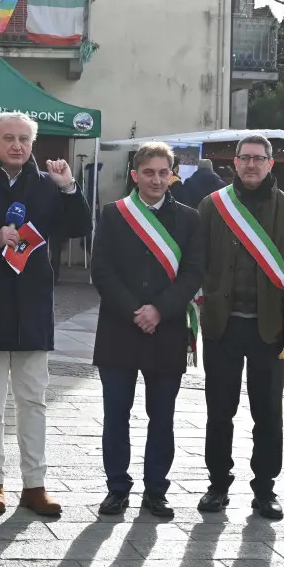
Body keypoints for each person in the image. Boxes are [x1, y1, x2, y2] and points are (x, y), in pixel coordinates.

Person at [0, 112, 91, 517]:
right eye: (8, 137)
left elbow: (79, 226)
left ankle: (35, 484)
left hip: (32, 307)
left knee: (34, 401)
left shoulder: (46, 184)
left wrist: (69, 188)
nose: (17, 145)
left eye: (24, 139)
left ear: (33, 143)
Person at [196, 133, 284, 520]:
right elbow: (200, 258)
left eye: (258, 158)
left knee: (268, 410)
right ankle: (217, 484)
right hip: (222, 325)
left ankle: (265, 489)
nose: (250, 164)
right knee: (219, 410)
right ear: (235, 161)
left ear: (270, 164)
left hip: (271, 328)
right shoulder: (213, 206)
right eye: (244, 158)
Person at [91, 142, 203, 518]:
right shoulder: (113, 213)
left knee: (162, 416)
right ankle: (116, 489)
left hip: (167, 329)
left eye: (163, 172)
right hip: (119, 328)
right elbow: (101, 270)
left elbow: (192, 274)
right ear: (135, 174)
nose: (157, 180)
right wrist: (134, 311)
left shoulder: (189, 219)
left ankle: (156, 490)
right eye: (149, 172)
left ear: (172, 175)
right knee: (116, 414)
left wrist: (159, 310)